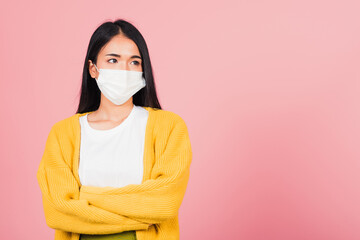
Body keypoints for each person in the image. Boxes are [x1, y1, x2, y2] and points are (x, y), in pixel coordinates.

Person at [36, 19, 193, 240]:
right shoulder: (63, 135)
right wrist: (138, 208)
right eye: (113, 60)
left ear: (143, 69)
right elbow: (57, 212)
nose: (124, 70)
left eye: (134, 62)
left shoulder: (169, 128)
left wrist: (85, 198)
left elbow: (164, 205)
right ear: (93, 69)